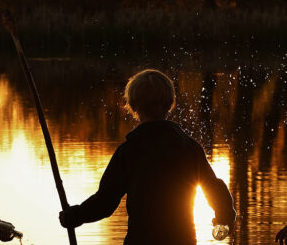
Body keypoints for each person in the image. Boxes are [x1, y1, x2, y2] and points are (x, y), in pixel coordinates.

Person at [59, 69, 236, 245]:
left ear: (134, 106)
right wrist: (225, 216)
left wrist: (74, 216)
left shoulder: (128, 151)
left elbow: (105, 202)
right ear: (169, 104)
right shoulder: (189, 148)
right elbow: (214, 187)